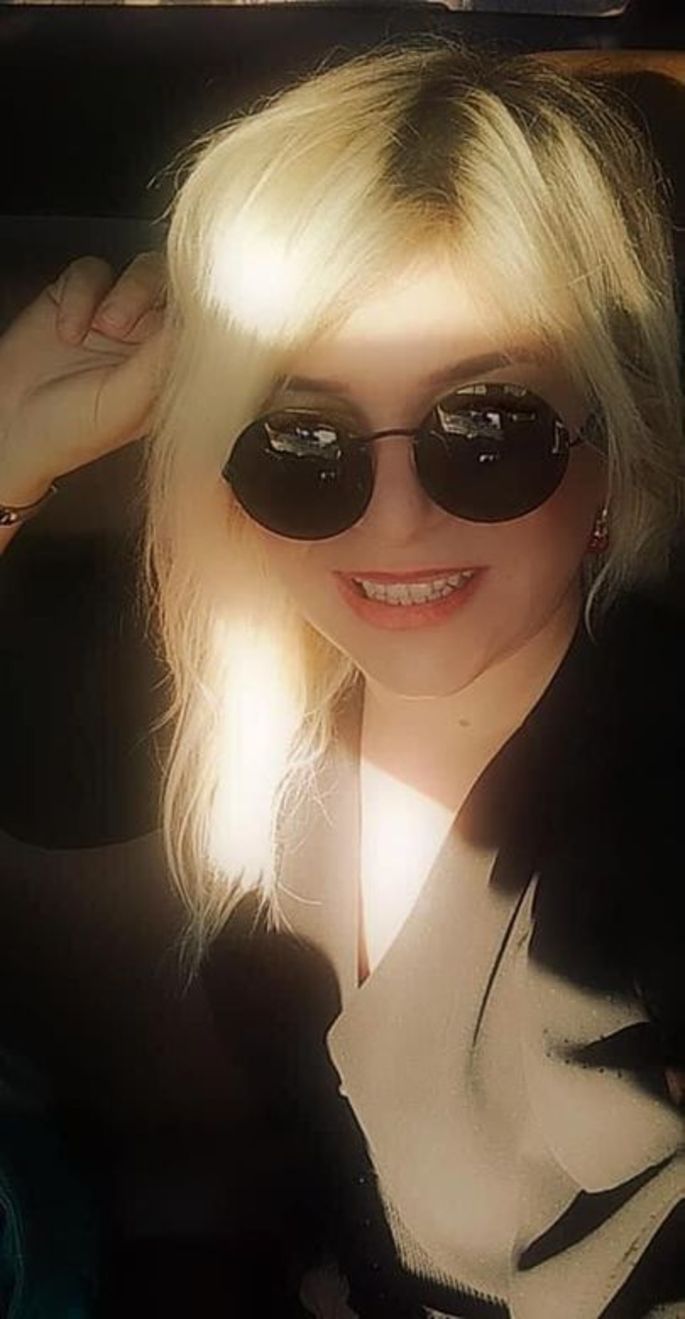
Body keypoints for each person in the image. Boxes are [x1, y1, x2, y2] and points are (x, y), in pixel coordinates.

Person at [2, 34, 685, 1319]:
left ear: (617, 441)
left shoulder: (641, 837)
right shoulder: (251, 689)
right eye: (302, 439)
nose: (393, 520)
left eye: (486, 428)